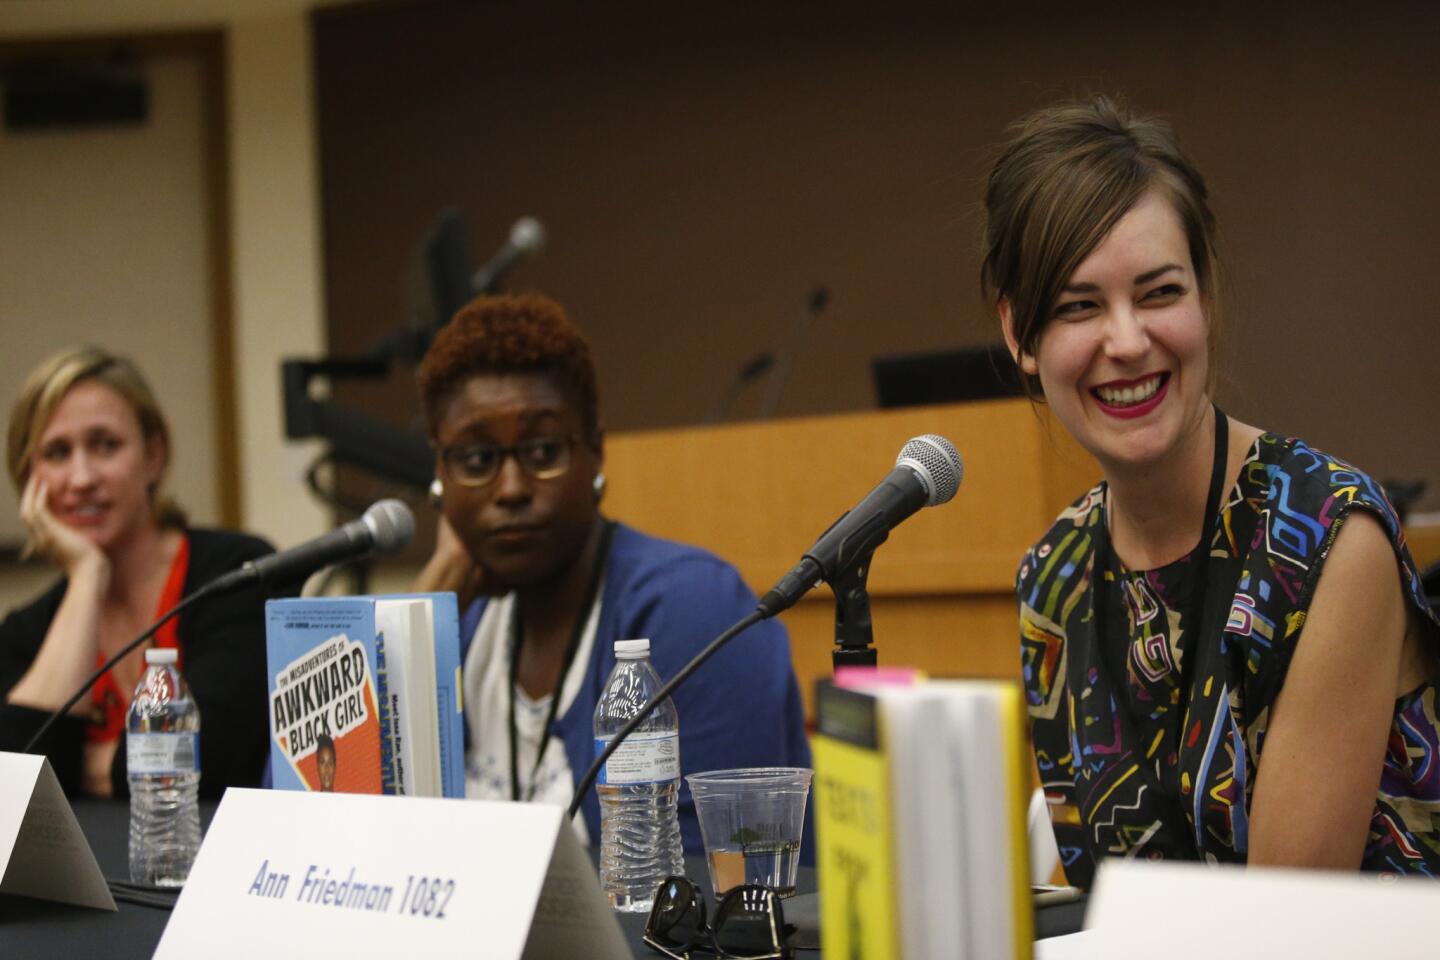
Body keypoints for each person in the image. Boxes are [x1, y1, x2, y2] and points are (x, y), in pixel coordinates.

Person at [985, 97, 1440, 886]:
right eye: (1077, 307)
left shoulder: (1330, 537)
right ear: (1020, 336)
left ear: (1206, 297)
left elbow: (1287, 926)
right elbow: (1094, 899)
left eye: (1160, 293)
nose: (1126, 341)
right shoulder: (1052, 578)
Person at [413, 293, 811, 855]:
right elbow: (315, 826)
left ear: (596, 451)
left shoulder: (691, 607)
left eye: (543, 450)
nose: (511, 489)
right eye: (476, 461)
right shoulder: (466, 624)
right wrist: (421, 613)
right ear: (440, 476)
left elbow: (711, 889)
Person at [1, 346, 276, 799]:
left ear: (154, 454)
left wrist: (85, 766)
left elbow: (216, 757)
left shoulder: (238, 572)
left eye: (105, 445)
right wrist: (88, 575)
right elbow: (11, 799)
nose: (82, 477)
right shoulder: (25, 633)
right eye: (56, 453)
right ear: (28, 476)